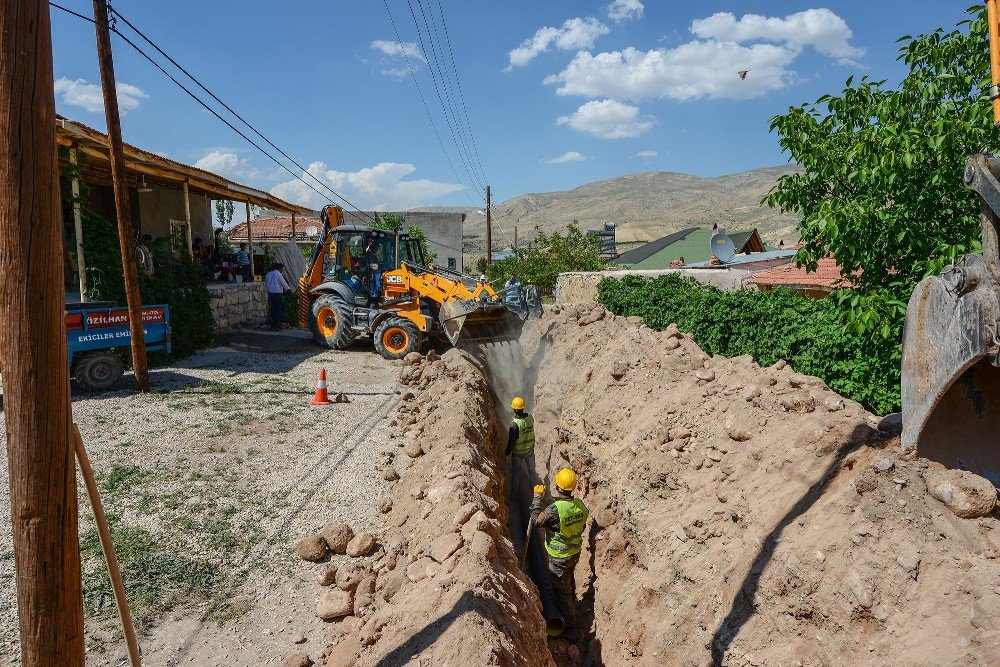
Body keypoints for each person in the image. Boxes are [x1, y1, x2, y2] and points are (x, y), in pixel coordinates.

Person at [531, 468, 589, 641]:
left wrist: (536, 498)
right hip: (573, 554)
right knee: (567, 582)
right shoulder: (581, 506)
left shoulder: (555, 510)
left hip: (558, 558)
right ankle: (570, 598)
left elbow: (535, 521)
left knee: (561, 592)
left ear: (557, 487)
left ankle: (572, 629)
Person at [505, 396, 538, 500]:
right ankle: (535, 492)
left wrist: (506, 454)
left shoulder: (514, 425)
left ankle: (514, 496)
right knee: (532, 471)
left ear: (514, 409)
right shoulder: (530, 417)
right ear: (523, 407)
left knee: (516, 474)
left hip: (518, 452)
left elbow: (511, 442)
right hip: (529, 450)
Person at [264, 262, 292, 330]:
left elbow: (266, 283)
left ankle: (275, 323)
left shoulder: (268, 274)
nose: (283, 270)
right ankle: (274, 326)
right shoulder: (278, 274)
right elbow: (284, 284)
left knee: (276, 309)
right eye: (282, 269)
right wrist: (289, 291)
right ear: (280, 268)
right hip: (277, 294)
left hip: (270, 294)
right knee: (278, 310)